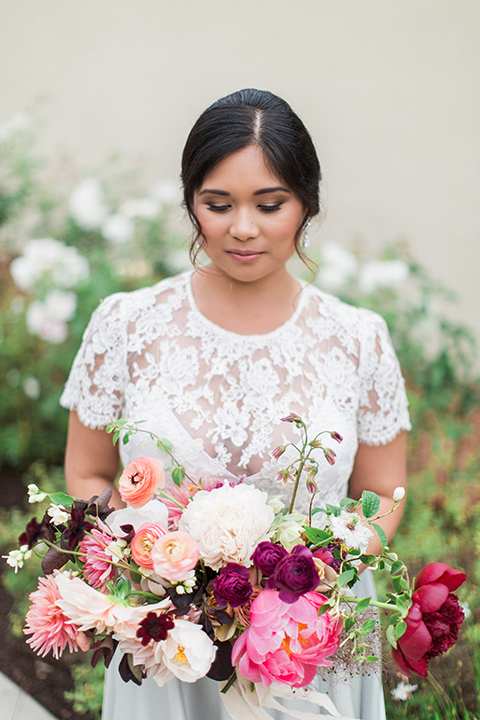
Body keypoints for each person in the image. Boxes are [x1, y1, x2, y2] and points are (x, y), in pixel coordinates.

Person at [60, 88, 411, 720]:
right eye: (217, 205)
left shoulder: (359, 337)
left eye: (269, 204)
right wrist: (145, 561)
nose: (242, 228)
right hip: (165, 648)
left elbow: (385, 494)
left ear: (307, 204)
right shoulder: (127, 323)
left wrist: (323, 571)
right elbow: (88, 474)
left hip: (310, 648)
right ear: (192, 204)